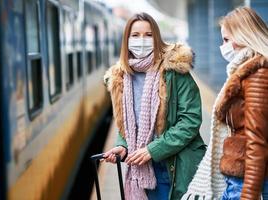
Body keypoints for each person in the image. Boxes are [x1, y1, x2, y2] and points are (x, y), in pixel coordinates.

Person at [102, 12, 206, 200]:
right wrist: (123, 146)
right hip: (141, 170)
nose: (142, 40)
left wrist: (153, 150)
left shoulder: (174, 71)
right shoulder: (120, 77)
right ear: (126, 40)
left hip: (176, 166)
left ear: (156, 38)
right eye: (135, 35)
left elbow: (190, 120)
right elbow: (127, 123)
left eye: (148, 35)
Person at [182, 7, 268, 200]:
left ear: (245, 36)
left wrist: (249, 195)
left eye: (227, 40)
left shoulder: (257, 76)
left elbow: (256, 141)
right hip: (239, 180)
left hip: (246, 183)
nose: (223, 46)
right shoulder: (246, 73)